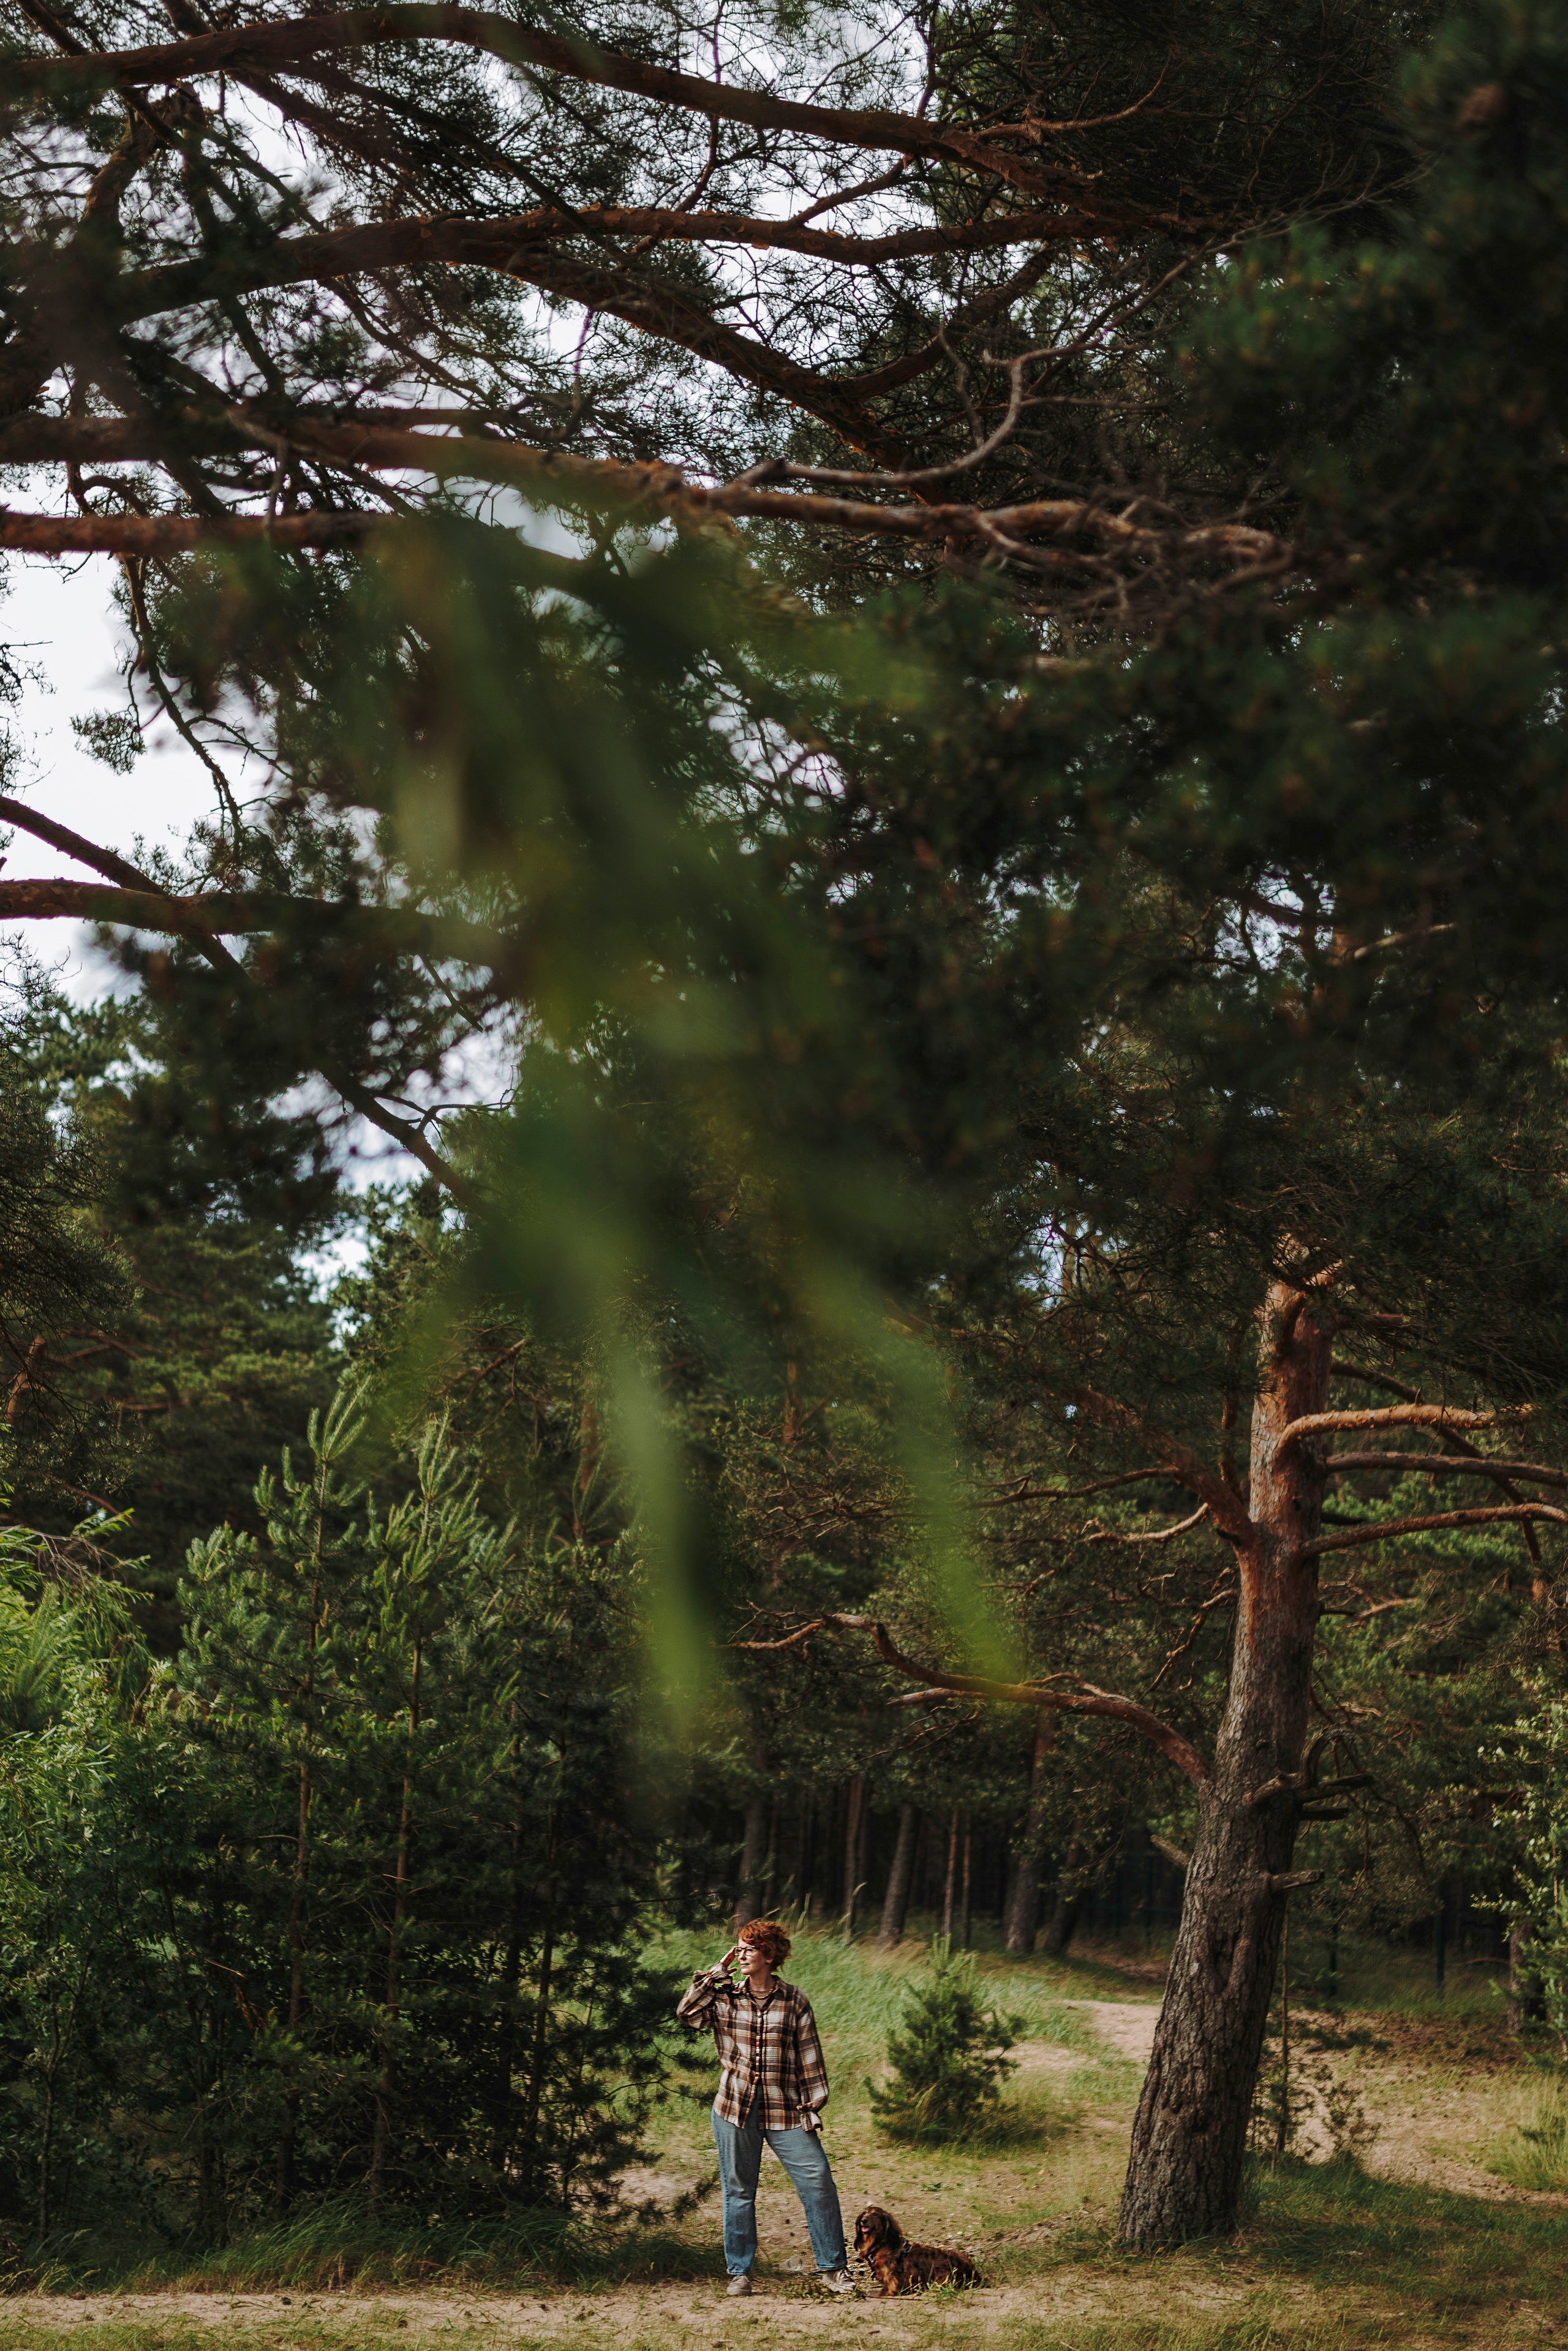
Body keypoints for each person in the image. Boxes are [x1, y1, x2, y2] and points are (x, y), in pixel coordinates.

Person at [676, 1918, 855, 2298]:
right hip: (734, 2108)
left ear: (769, 1955)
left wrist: (813, 2103)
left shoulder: (795, 2000)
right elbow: (687, 2015)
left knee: (818, 2182)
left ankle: (833, 2269)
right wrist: (716, 1972)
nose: (741, 1954)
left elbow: (810, 2056)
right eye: (738, 1948)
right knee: (739, 2190)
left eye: (749, 1949)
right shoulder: (725, 1995)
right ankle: (740, 2273)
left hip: (786, 2110)